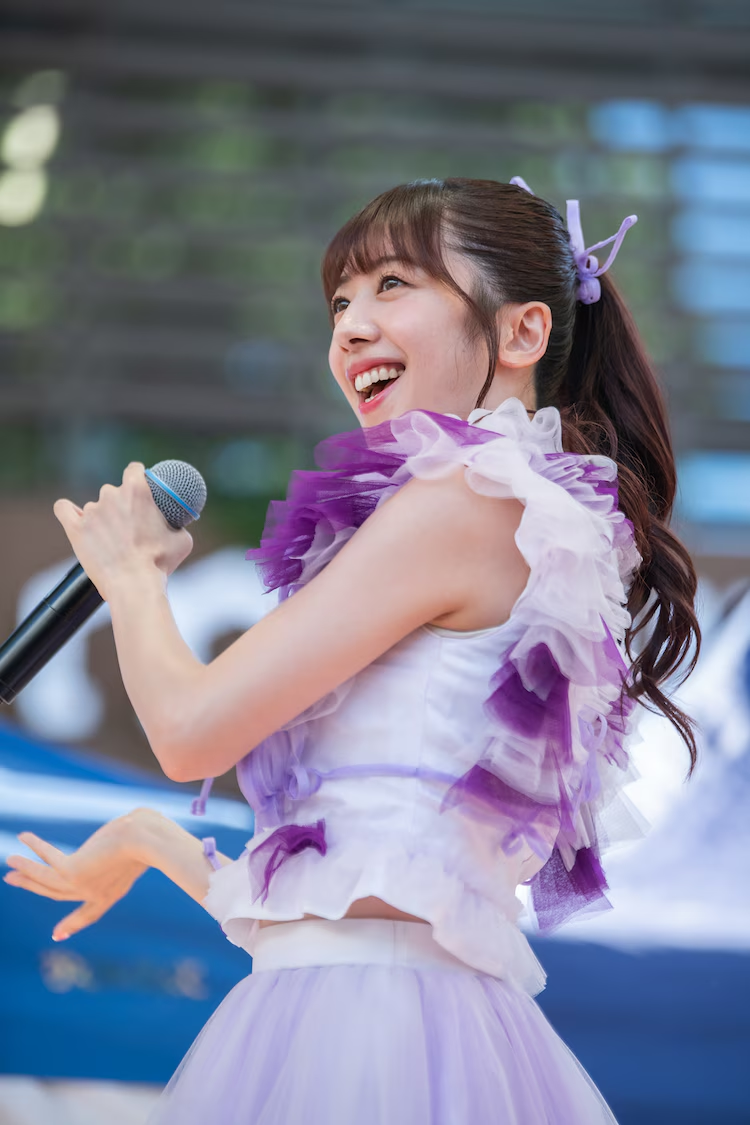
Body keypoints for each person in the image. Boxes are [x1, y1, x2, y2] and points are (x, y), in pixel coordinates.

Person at [4, 177, 700, 1124]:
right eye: (339, 300)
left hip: (373, 1028)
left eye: (393, 285)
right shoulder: (523, 515)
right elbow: (355, 891)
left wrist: (128, 575)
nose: (350, 326)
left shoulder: (464, 500)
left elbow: (188, 731)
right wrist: (149, 838)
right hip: (382, 1014)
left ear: (522, 332)